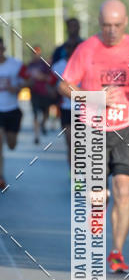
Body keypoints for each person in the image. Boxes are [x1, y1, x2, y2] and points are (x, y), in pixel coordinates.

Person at [59, 0, 129, 273]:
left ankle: (116, 252)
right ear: (98, 24)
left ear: (125, 23)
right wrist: (94, 96)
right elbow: (64, 86)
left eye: (116, 25)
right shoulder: (86, 49)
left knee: (124, 191)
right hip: (92, 126)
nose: (111, 31)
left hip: (128, 125)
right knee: (98, 197)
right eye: (105, 26)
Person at [51, 18, 82, 168]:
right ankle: (74, 174)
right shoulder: (59, 57)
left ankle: (87, 172)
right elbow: (52, 82)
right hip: (66, 108)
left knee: (84, 144)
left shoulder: (88, 51)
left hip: (86, 108)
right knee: (72, 143)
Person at [0, 38, 26, 190]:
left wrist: (17, 87)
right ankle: (1, 177)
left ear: (4, 48)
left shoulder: (16, 64)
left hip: (13, 110)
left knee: (11, 144)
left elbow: (29, 80)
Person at [25, 45, 57, 143]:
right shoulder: (30, 65)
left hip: (44, 93)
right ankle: (36, 136)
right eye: (34, 52)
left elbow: (50, 78)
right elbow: (25, 78)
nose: (36, 54)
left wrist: (41, 77)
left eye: (38, 52)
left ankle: (43, 124)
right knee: (35, 115)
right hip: (34, 93)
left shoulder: (45, 65)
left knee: (46, 113)